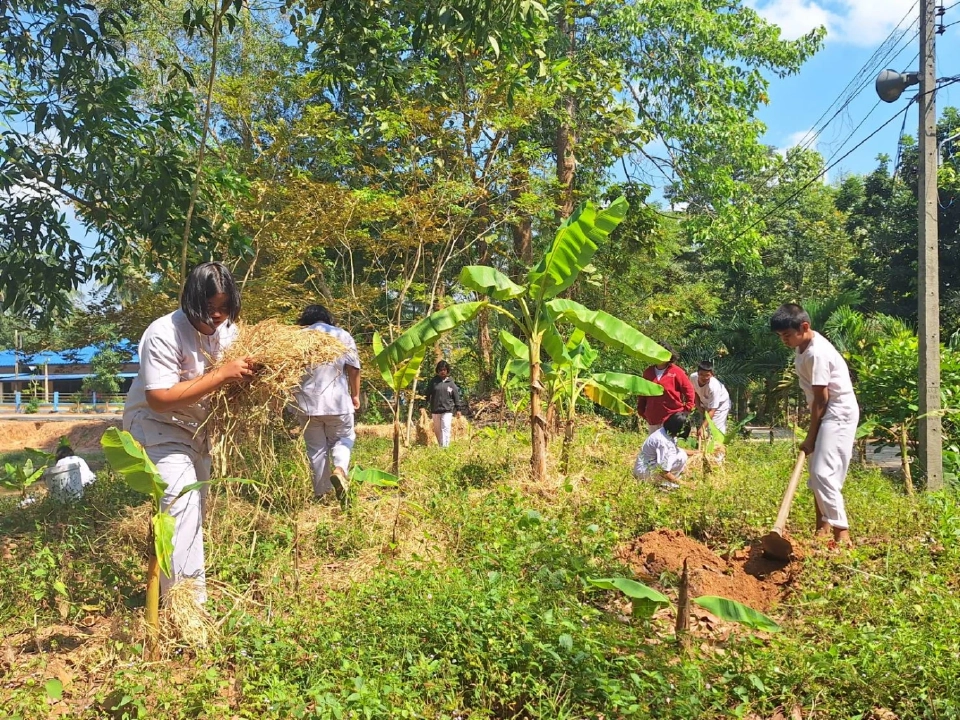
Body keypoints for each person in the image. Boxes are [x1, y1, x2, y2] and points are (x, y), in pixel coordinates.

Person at [123, 262, 253, 603]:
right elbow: (159, 398)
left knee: (193, 513)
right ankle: (187, 607)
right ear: (191, 303)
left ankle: (179, 592)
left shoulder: (229, 332)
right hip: (158, 428)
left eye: (225, 308)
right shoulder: (163, 332)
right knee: (182, 506)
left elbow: (233, 378)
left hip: (198, 431)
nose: (218, 317)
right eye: (210, 310)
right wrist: (222, 374)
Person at [771, 303, 859, 545]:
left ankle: (842, 534)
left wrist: (811, 436)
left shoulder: (817, 353)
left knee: (822, 474)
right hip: (827, 412)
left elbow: (822, 398)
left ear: (804, 327)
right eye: (781, 336)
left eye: (787, 335)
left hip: (838, 412)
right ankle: (822, 526)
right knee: (816, 475)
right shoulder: (803, 347)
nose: (784, 341)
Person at [293, 304, 360, 509]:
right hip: (337, 402)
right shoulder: (342, 335)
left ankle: (322, 496)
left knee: (316, 450)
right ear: (327, 318)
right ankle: (340, 469)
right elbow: (354, 368)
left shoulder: (297, 338)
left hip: (307, 404)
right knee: (344, 438)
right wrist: (355, 395)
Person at [636, 342, 695, 433]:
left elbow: (689, 390)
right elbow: (642, 393)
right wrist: (641, 410)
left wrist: (687, 409)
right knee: (655, 444)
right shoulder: (648, 372)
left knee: (668, 445)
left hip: (672, 417)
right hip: (653, 417)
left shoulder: (676, 372)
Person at [632, 411, 697, 489]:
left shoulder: (665, 432)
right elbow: (663, 471)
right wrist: (685, 484)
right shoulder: (664, 443)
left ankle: (667, 481)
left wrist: (696, 453)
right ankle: (664, 484)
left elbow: (675, 449)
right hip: (645, 472)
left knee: (681, 454)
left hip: (647, 466)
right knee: (681, 457)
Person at [425, 360, 463, 448]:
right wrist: (422, 405)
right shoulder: (433, 382)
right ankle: (441, 445)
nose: (443, 372)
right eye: (441, 370)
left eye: (444, 370)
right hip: (435, 410)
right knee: (438, 430)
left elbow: (456, 396)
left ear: (447, 371)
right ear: (438, 371)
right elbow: (427, 394)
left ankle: (445, 447)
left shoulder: (451, 383)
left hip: (447, 410)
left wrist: (458, 409)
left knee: (446, 427)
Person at [690, 360, 731, 436]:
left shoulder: (714, 387)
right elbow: (695, 391)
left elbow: (712, 410)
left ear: (712, 375)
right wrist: (698, 406)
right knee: (704, 428)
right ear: (697, 373)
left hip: (720, 405)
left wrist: (702, 427)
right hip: (705, 402)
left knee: (715, 430)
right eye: (701, 374)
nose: (704, 377)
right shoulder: (693, 377)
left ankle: (718, 446)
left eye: (707, 375)